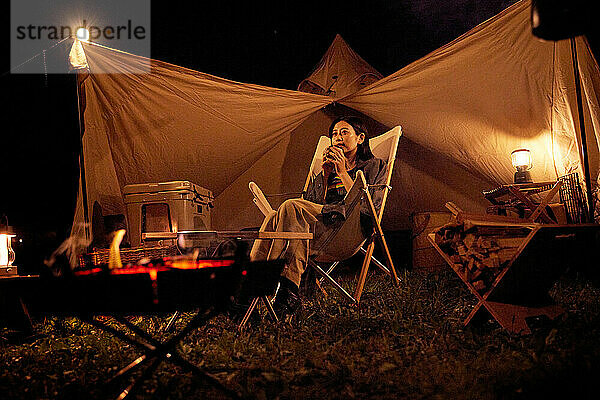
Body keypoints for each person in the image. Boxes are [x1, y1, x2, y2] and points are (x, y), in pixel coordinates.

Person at [248, 116, 388, 320]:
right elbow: (313, 205)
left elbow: (368, 209)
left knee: (290, 206)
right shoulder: (328, 169)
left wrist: (342, 172)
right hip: (318, 231)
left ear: (360, 138)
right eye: (334, 134)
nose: (337, 138)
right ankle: (285, 296)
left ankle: (261, 280)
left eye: (344, 132)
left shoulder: (375, 166)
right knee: (274, 216)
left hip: (348, 233)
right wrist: (325, 174)